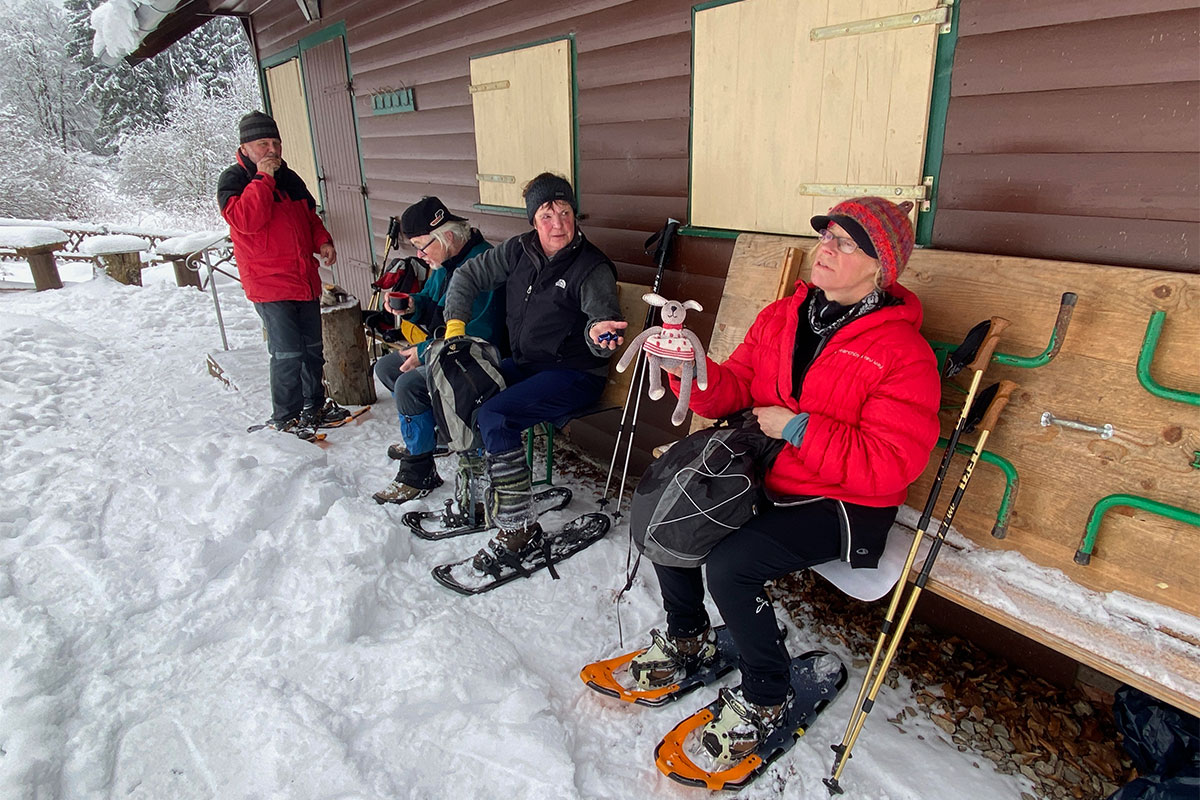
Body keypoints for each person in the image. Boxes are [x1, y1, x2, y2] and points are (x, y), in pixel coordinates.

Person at [629, 197, 941, 763]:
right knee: (668, 506)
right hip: (768, 472)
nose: (825, 248)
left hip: (844, 501)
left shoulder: (902, 354)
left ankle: (767, 697)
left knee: (731, 567)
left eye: (844, 242)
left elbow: (892, 463)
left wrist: (799, 428)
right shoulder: (783, 316)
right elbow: (735, 388)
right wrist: (690, 370)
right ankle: (688, 637)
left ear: (880, 267)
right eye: (825, 236)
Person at [441, 172, 627, 572]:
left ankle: (519, 528)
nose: (558, 224)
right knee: (470, 391)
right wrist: (456, 325)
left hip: (575, 374)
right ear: (533, 220)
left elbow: (601, 320)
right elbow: (467, 275)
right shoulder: (517, 251)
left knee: (496, 415)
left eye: (565, 213)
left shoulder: (591, 267)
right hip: (529, 366)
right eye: (546, 215)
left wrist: (600, 334)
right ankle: (481, 496)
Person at [218, 110, 349, 437]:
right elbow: (247, 221)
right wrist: (263, 179)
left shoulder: (291, 178)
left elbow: (310, 219)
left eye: (275, 143)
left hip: (303, 279)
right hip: (269, 285)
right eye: (263, 144)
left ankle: (313, 407)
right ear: (244, 148)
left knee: (313, 349)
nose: (272, 150)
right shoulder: (233, 181)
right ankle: (285, 417)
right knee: (287, 354)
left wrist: (323, 241)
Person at [372, 197, 504, 504]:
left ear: (446, 235)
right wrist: (412, 307)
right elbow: (432, 305)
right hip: (451, 350)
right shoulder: (445, 262)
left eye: (422, 246)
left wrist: (424, 351)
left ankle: (418, 473)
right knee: (387, 368)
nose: (419, 255)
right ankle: (437, 435)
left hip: (481, 360)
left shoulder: (481, 264)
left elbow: (475, 336)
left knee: (408, 383)